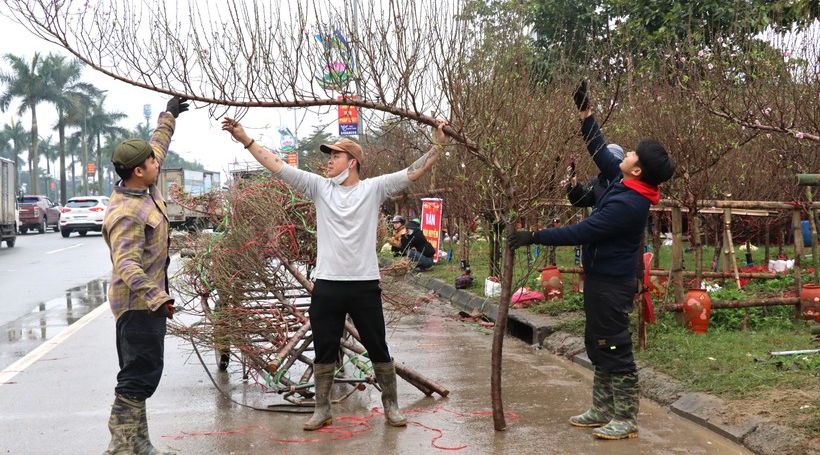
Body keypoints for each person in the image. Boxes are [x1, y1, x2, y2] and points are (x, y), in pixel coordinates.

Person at [221, 116, 450, 431]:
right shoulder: (319, 187)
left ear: (352, 162)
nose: (329, 161)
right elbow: (276, 165)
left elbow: (414, 171)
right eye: (329, 156)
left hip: (364, 285)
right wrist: (245, 139)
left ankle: (392, 406)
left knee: (378, 347)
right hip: (328, 285)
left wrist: (439, 145)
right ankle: (322, 409)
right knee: (325, 348)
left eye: (335, 156)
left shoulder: (374, 188)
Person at [507, 81, 675, 441]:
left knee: (615, 346)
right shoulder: (625, 182)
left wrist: (534, 236)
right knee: (598, 343)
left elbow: (580, 232)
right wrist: (586, 113)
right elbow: (599, 151)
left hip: (613, 285)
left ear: (638, 170)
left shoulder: (628, 204)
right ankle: (601, 409)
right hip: (600, 278)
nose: (625, 154)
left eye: (631, 154)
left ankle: (626, 418)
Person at [101, 96, 189, 455]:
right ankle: (120, 447)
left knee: (145, 371)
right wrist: (158, 298)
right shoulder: (127, 212)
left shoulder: (144, 185)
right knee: (138, 376)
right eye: (152, 162)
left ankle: (138, 442)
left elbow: (157, 146)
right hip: (138, 306)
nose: (157, 161)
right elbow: (127, 266)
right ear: (139, 170)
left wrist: (169, 116)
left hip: (149, 304)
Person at [566, 143, 624, 207]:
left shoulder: (627, 183)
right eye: (606, 161)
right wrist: (574, 186)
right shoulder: (597, 182)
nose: (609, 165)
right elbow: (581, 200)